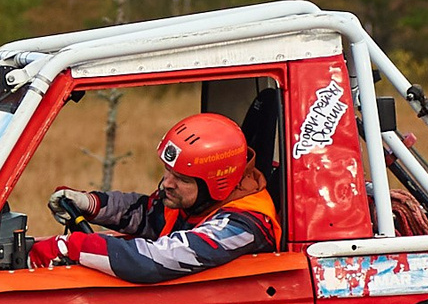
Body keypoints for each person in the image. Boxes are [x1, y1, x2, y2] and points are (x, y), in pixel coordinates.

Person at [29, 113, 281, 282]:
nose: (166, 184)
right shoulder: (196, 200)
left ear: (215, 183)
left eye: (181, 179)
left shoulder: (243, 225)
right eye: (167, 172)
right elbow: (148, 214)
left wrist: (71, 246)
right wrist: (91, 203)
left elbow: (156, 259)